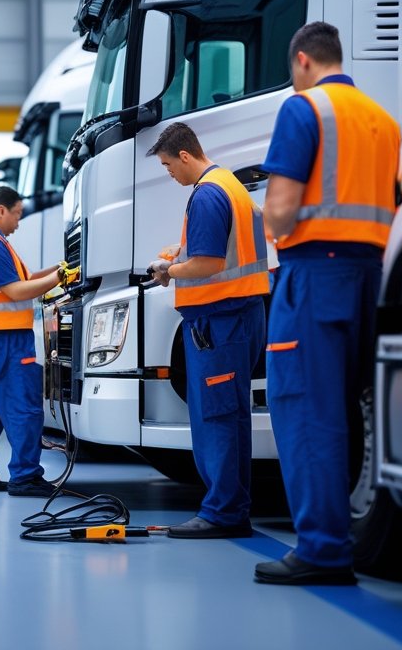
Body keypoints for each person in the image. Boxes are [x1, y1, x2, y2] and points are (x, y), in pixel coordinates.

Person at [254, 22, 400, 584]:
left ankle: (322, 550)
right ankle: (339, 539)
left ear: (302, 61)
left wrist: (269, 220)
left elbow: (281, 210)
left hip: (315, 274)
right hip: (370, 276)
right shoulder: (383, 120)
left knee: (306, 408)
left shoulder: (304, 109)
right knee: (343, 408)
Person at [146, 123, 269, 539]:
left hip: (219, 320)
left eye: (168, 166)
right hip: (241, 314)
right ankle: (231, 508)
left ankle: (222, 512)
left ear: (185, 156)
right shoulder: (232, 186)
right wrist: (182, 253)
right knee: (231, 415)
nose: (169, 175)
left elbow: (209, 264)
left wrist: (169, 270)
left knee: (216, 415)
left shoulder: (207, 194)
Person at [0, 186, 64, 498]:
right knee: (24, 407)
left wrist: (60, 269)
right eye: (17, 214)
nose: (19, 222)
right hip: (7, 339)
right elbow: (16, 291)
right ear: (1, 210)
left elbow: (26, 279)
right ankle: (25, 475)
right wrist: (59, 279)